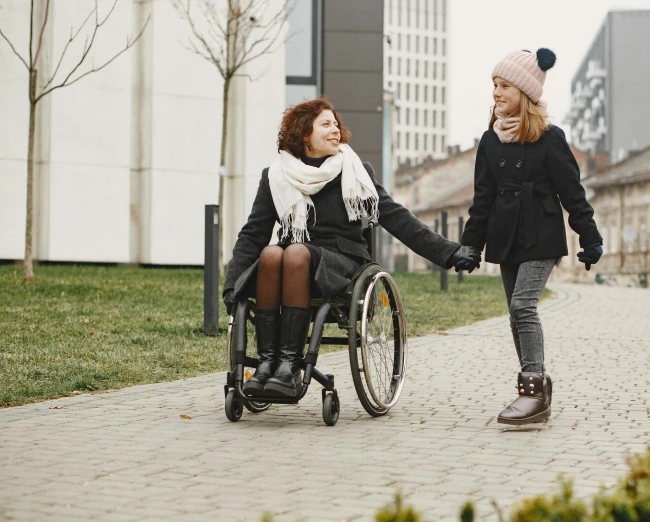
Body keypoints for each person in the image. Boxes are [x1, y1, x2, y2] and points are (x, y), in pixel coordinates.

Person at [222, 98, 481, 399]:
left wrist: (448, 252)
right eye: (326, 125)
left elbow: (396, 217)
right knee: (270, 252)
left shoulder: (354, 170)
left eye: (336, 124)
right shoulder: (276, 176)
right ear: (303, 133)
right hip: (288, 261)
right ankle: (267, 364)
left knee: (293, 251)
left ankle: (289, 367)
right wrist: (232, 284)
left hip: (341, 262)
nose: (337, 131)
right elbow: (253, 234)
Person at [460, 49, 603, 425]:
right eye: (494, 84)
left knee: (524, 306)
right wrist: (470, 245)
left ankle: (533, 391)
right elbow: (482, 199)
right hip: (506, 237)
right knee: (514, 314)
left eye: (504, 85)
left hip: (541, 236)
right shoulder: (490, 142)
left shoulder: (551, 138)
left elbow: (573, 194)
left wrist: (589, 237)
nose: (496, 92)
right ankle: (536, 384)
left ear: (524, 91)